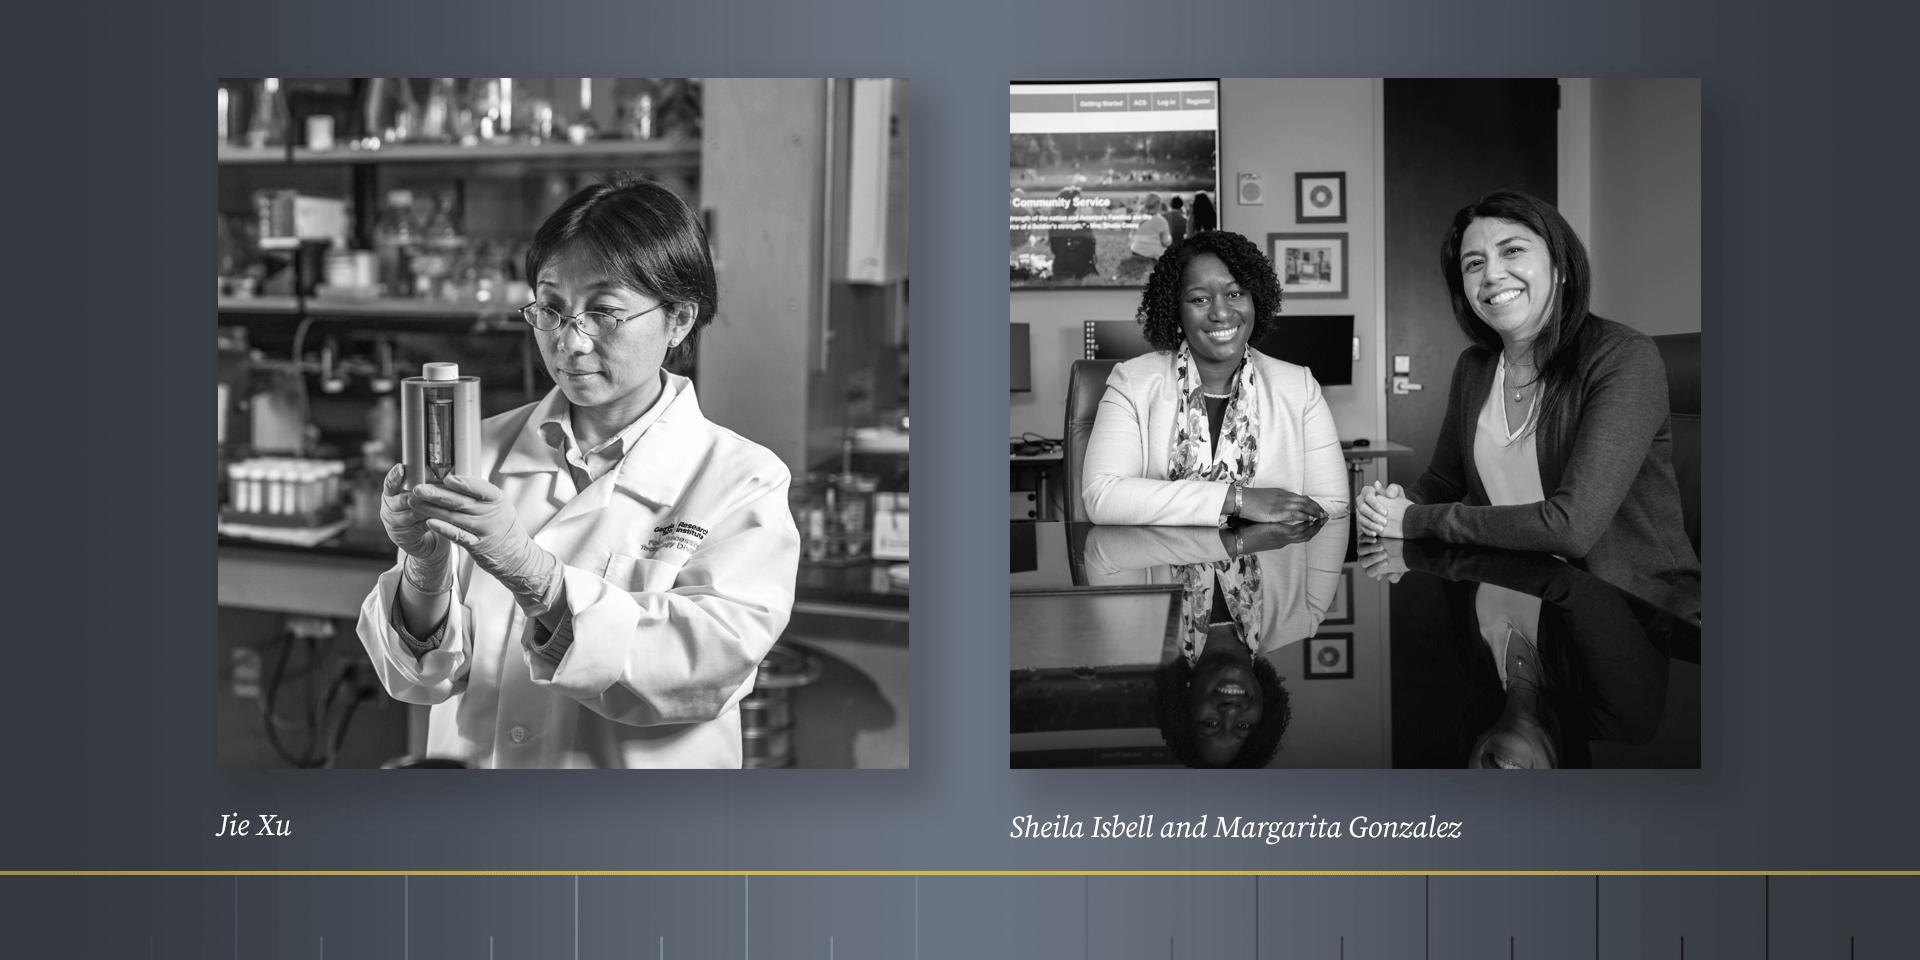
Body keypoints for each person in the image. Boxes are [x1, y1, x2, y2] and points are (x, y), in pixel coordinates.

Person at [356, 177, 801, 768]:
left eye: (604, 311)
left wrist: (533, 573)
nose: (570, 340)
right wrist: (426, 566)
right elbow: (418, 678)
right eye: (551, 308)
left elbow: (705, 670)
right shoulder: (477, 452)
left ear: (679, 319)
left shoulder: (742, 479)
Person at [1356, 190, 1698, 622]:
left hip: (1629, 615)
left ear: (1559, 267)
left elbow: (1570, 528)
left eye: (1512, 250)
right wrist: (1394, 503)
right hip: (1513, 592)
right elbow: (1444, 477)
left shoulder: (1623, 357)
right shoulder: (1475, 368)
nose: (1492, 274)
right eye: (1474, 263)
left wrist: (1414, 521)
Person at [1081, 230, 1348, 527]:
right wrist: (1238, 500)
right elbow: (1102, 496)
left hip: (1273, 566)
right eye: (1199, 299)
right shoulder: (1132, 382)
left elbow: (1332, 505)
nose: (1221, 313)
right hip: (1158, 568)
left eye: (1235, 294)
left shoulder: (1299, 387)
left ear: (1255, 301)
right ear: (1176, 311)